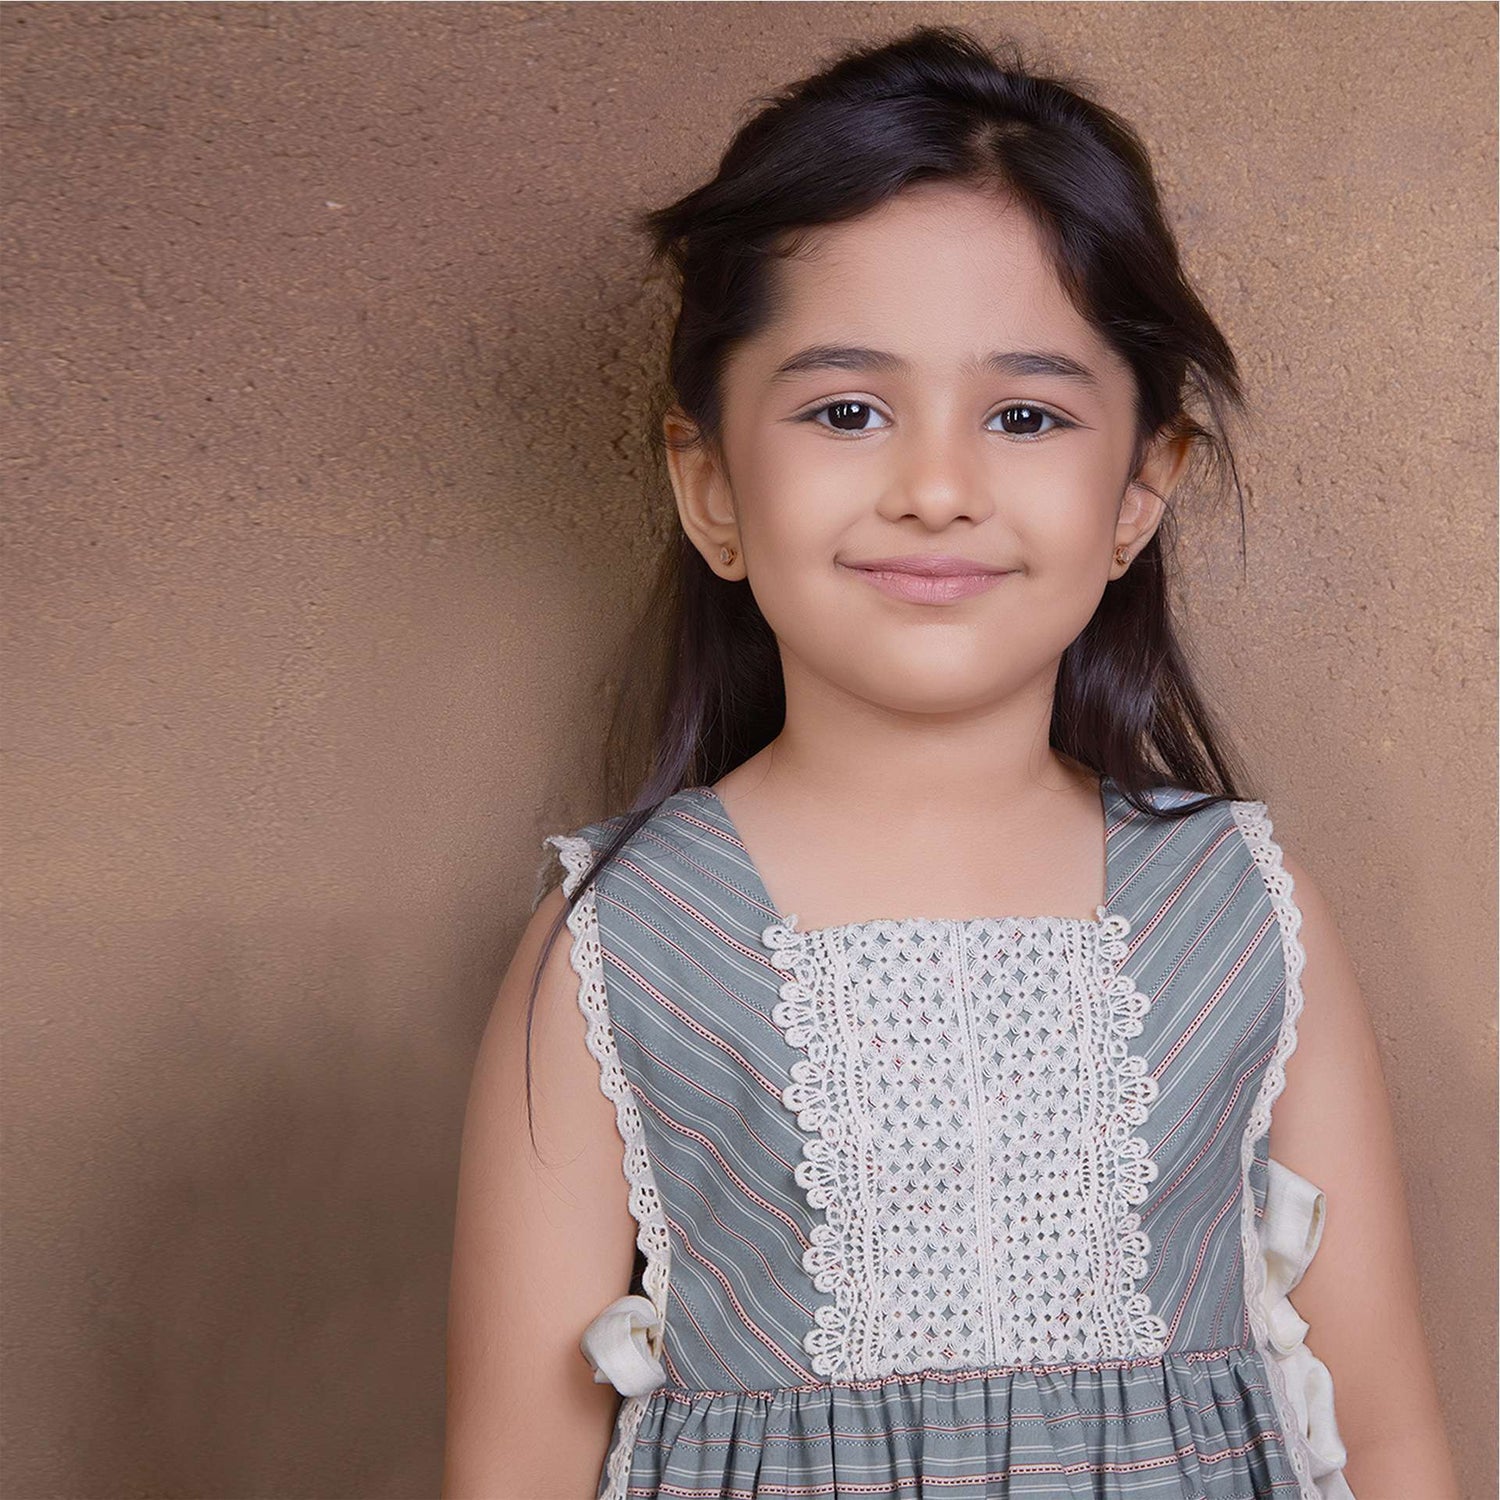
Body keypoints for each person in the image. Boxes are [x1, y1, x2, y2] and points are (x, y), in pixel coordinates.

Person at [442, 25, 1459, 1500]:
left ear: (1138, 492)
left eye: (1027, 415)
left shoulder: (1246, 909)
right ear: (712, 485)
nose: (935, 488)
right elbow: (514, 1469)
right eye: (848, 411)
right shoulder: (622, 947)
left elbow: (1392, 1435)